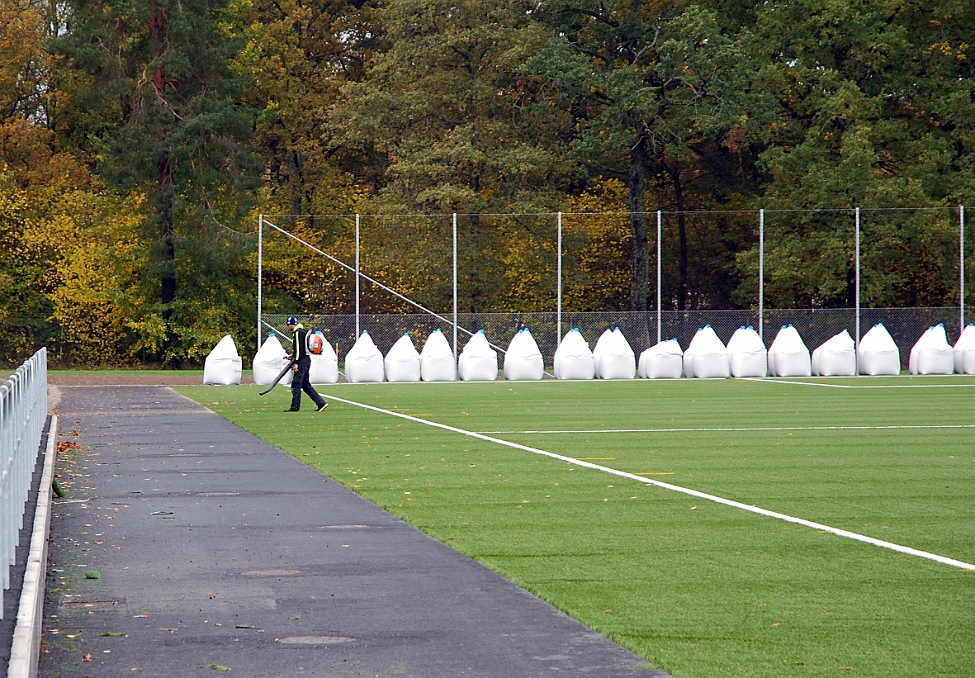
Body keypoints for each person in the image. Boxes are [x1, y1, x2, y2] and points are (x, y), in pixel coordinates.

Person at [283, 315, 328, 413]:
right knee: (305, 385)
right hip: (306, 360)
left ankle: (295, 407)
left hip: (302, 362)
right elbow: (300, 349)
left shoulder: (298, 333)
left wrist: (296, 363)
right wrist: (292, 355)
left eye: (288, 325)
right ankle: (321, 403)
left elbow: (299, 349)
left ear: (291, 324)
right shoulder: (302, 332)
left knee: (296, 384)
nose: (287, 327)